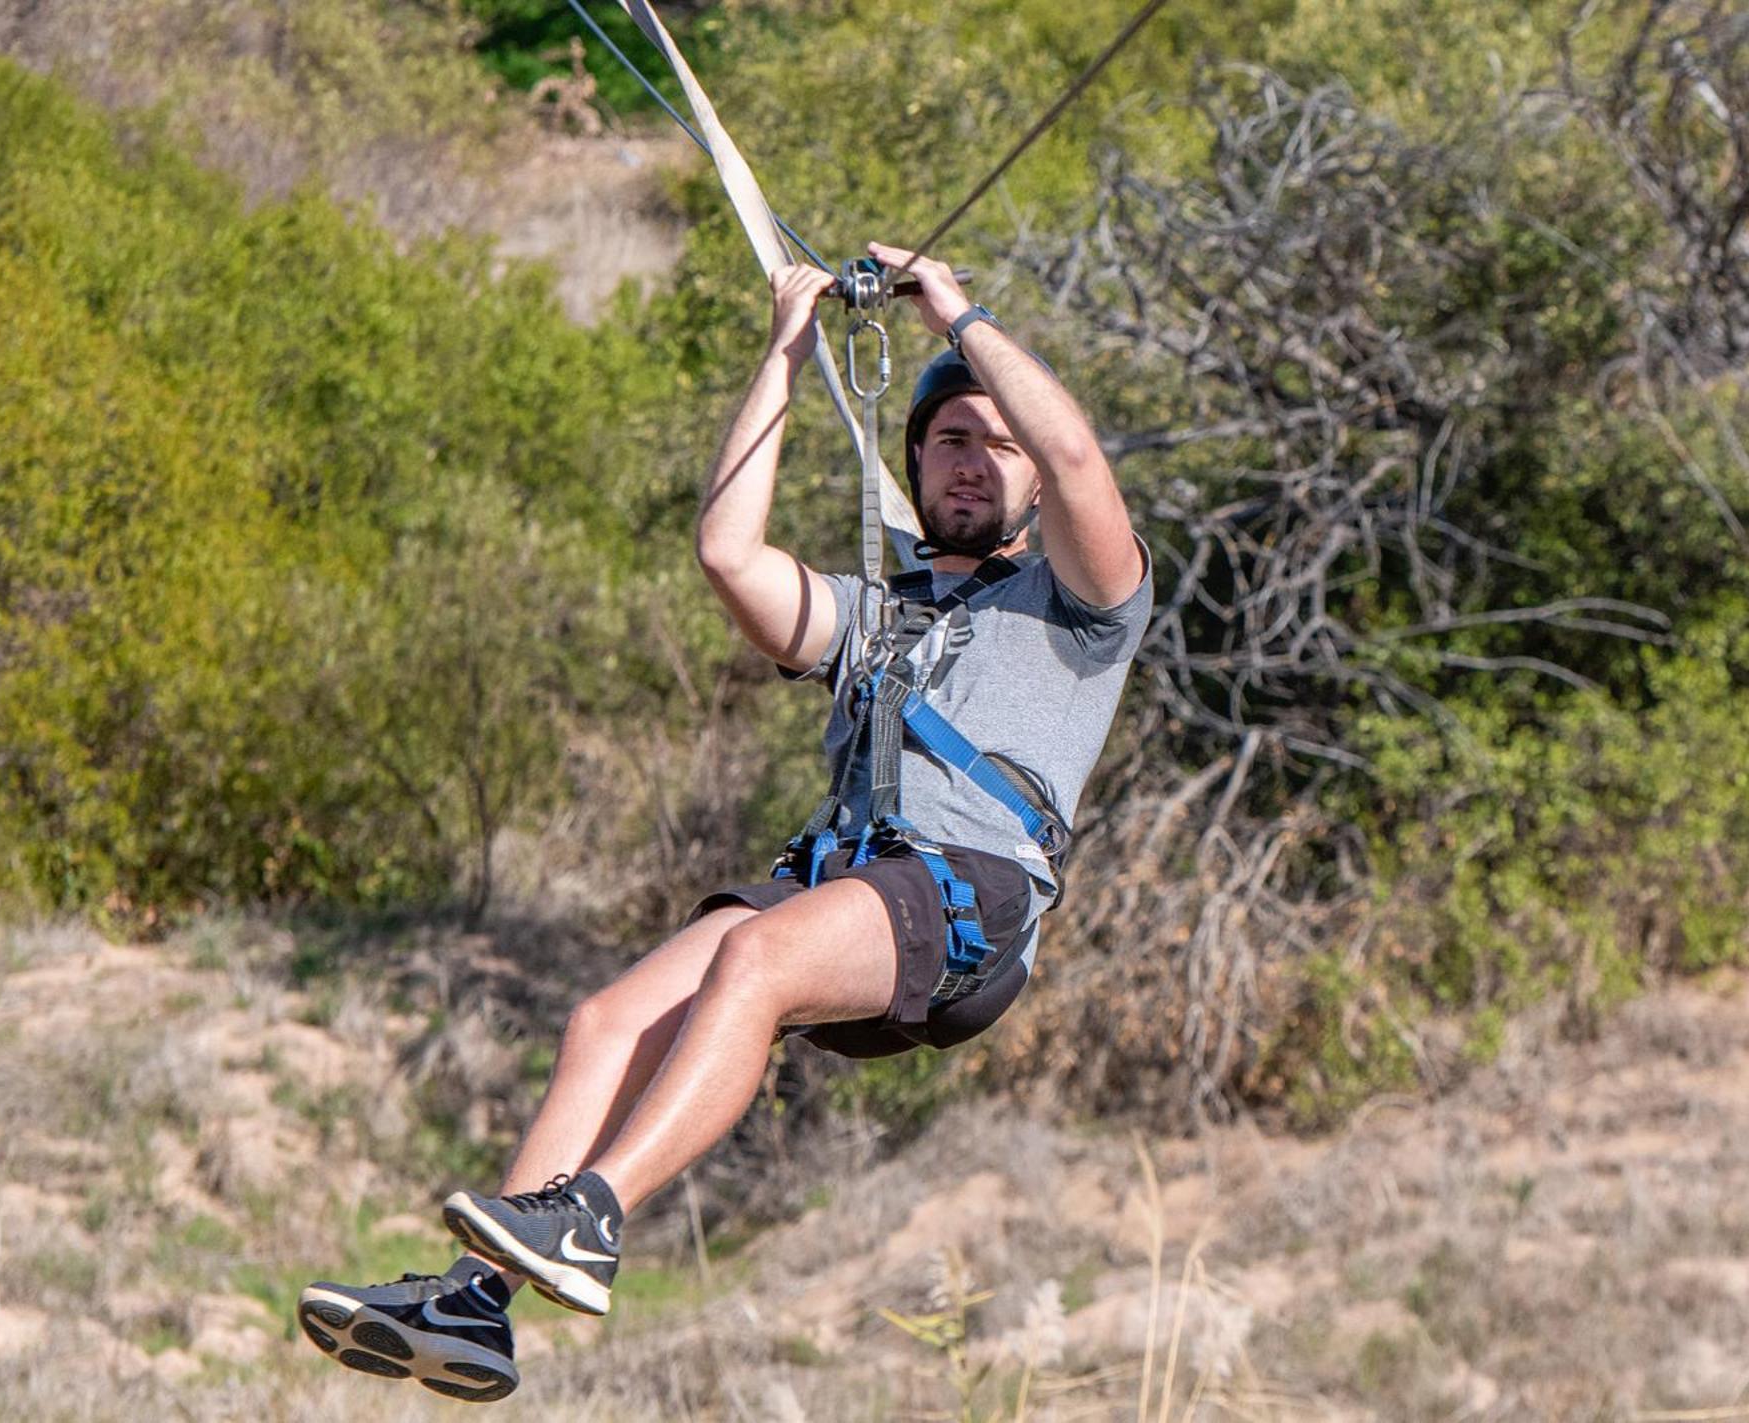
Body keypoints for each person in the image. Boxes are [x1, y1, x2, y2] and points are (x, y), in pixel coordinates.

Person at [294, 242, 1151, 1403]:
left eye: (999, 446)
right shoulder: (872, 615)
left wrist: (955, 314)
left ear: (1030, 480)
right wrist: (784, 352)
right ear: (913, 458)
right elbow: (726, 554)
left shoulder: (1082, 606)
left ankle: (590, 1216)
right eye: (950, 438)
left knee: (751, 954)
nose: (973, 461)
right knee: (609, 1020)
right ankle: (473, 1306)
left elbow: (1080, 453)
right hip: (839, 892)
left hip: (966, 903)